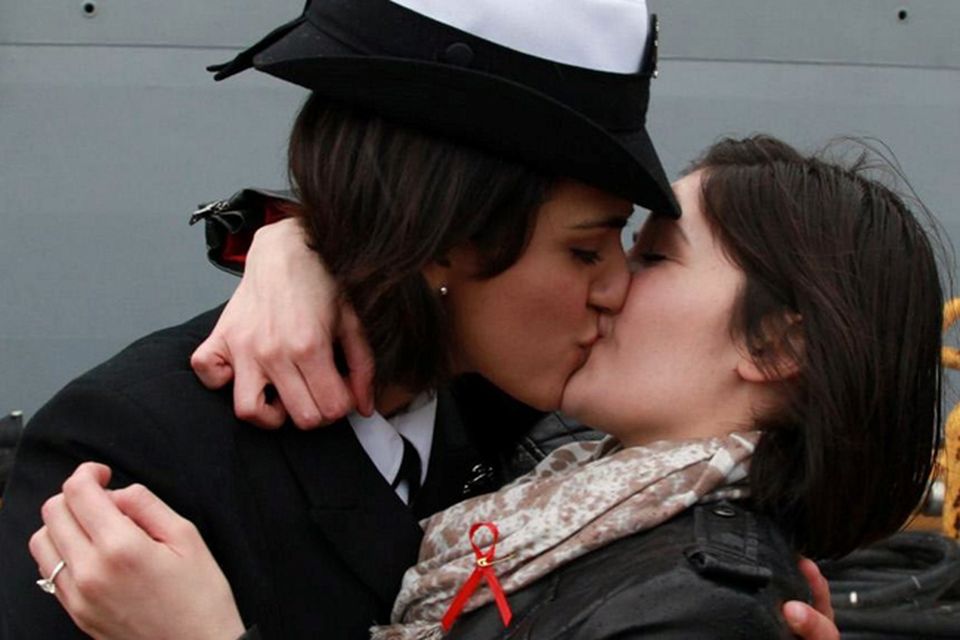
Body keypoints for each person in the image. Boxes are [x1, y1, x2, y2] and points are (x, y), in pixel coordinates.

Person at [29, 134, 941, 639]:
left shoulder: (702, 608)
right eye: (596, 248)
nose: (611, 284)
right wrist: (299, 245)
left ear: (778, 344)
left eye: (651, 255)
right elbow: (440, 264)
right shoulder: (570, 479)